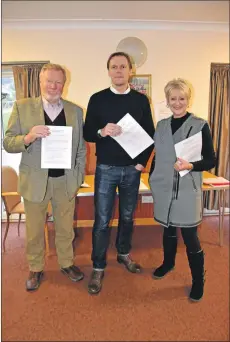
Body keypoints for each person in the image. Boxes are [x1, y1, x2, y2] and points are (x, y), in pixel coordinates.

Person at [3, 63, 86, 291]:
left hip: (65, 181)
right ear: (40, 82)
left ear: (64, 84)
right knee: (35, 229)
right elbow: (8, 142)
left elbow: (80, 149)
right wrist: (28, 137)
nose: (54, 86)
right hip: (35, 181)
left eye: (59, 82)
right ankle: (36, 267)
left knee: (65, 228)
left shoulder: (75, 111)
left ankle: (67, 263)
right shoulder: (22, 107)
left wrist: (78, 177)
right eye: (49, 81)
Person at [83, 52, 155, 295]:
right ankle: (98, 265)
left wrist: (141, 163)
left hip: (132, 171)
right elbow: (87, 132)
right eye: (114, 67)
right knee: (102, 221)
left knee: (127, 216)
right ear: (109, 71)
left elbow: (150, 135)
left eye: (123, 66)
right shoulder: (97, 99)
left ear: (130, 71)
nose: (118, 71)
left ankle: (123, 254)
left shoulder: (141, 100)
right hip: (105, 169)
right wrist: (102, 131)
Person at [149, 78, 216, 302]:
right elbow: (157, 153)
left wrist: (191, 166)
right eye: (173, 99)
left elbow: (210, 160)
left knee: (190, 236)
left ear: (188, 100)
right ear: (167, 101)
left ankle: (198, 280)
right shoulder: (161, 125)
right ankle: (168, 264)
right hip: (164, 187)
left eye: (182, 98)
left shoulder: (199, 125)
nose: (177, 103)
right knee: (167, 230)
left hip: (187, 189)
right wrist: (152, 177)